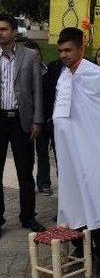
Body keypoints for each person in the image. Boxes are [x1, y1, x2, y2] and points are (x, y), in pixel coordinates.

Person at [53, 27, 100, 278]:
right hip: (68, 146)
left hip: (92, 146)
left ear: (81, 48)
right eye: (60, 51)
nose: (64, 55)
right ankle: (80, 245)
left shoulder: (96, 74)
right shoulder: (64, 75)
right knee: (73, 196)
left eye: (68, 50)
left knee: (95, 194)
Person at [0, 14, 45, 239]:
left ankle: (28, 216)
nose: (1, 33)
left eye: (4, 29)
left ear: (14, 32)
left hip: (21, 120)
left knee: (25, 171)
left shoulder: (30, 55)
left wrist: (37, 120)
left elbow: (38, 89)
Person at [23, 39, 52, 196]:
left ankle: (44, 182)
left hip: (46, 117)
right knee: (26, 153)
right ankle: (28, 183)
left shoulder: (48, 70)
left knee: (43, 152)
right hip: (27, 118)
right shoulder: (21, 72)